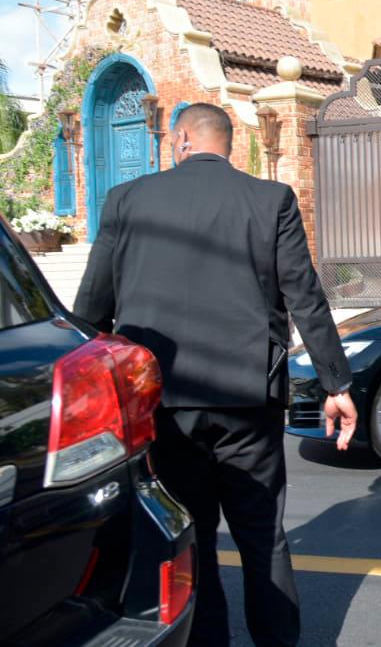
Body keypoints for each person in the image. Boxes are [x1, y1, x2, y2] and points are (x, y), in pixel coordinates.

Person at [75, 103, 357, 647]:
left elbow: (91, 306)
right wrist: (336, 385)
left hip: (163, 398)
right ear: (227, 144)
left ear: (181, 139)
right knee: (261, 536)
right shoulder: (270, 198)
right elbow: (305, 296)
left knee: (192, 537)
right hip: (246, 398)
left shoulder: (126, 200)